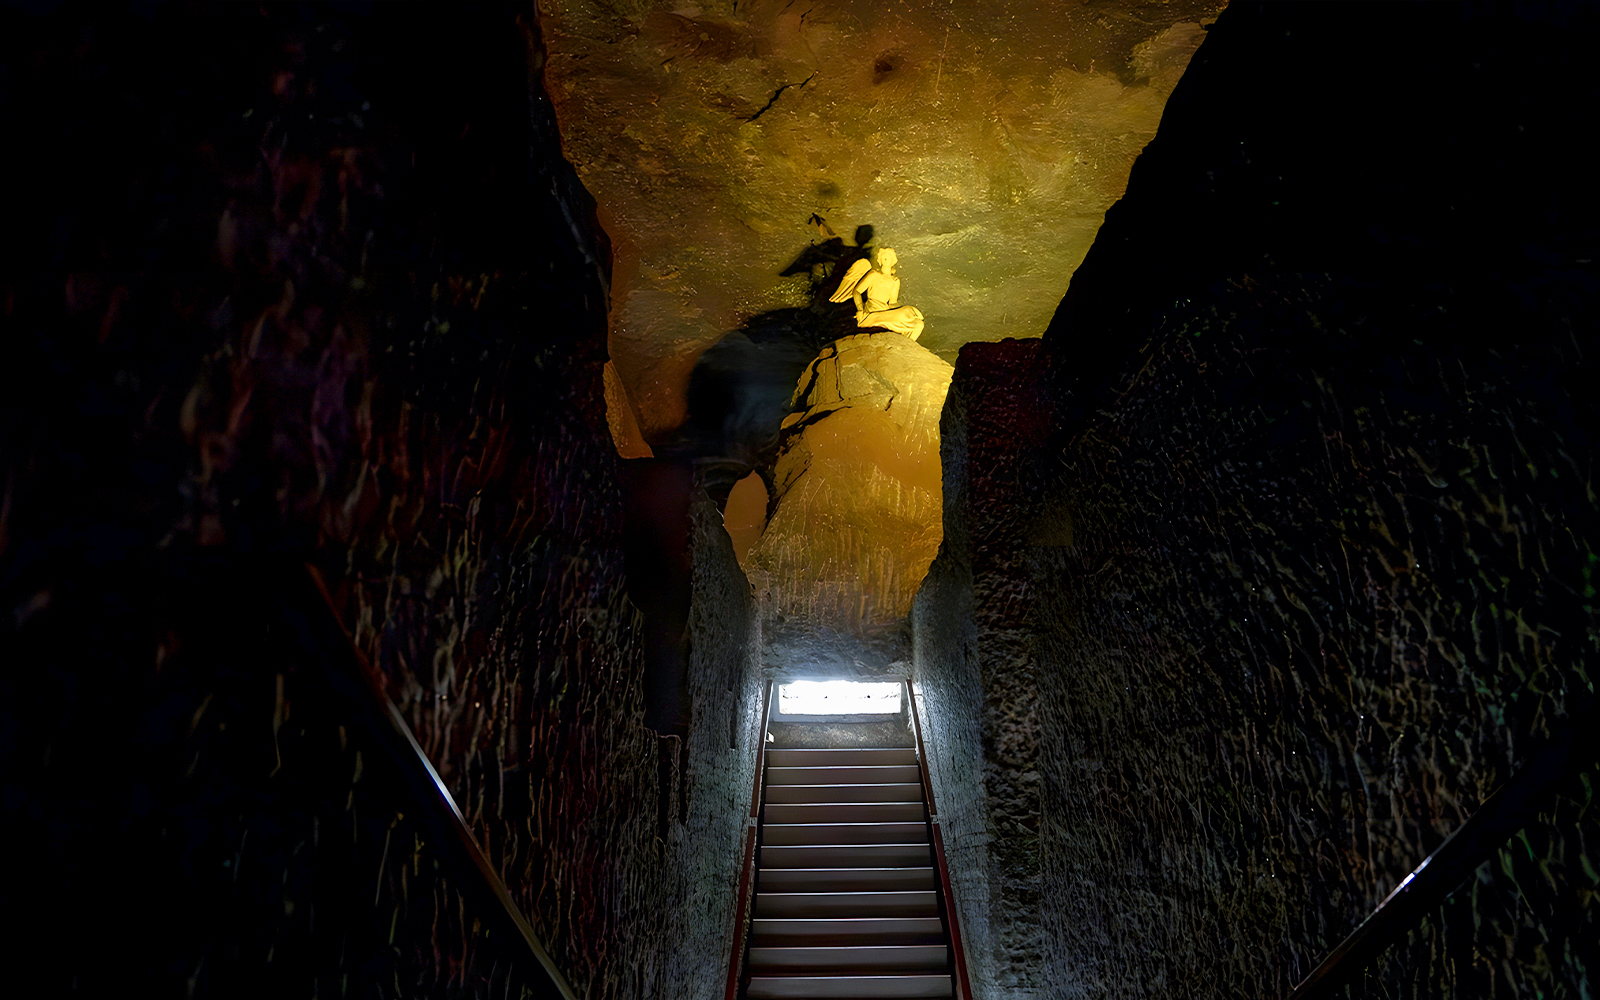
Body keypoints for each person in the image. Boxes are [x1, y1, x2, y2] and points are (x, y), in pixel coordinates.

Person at [828, 247, 925, 340]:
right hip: (872, 312)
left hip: (885, 312)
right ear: (880, 260)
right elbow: (856, 291)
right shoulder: (873, 275)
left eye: (889, 256)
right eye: (883, 256)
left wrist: (904, 310)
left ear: (893, 261)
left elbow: (892, 303)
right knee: (908, 316)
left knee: (919, 324)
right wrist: (860, 310)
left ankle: (907, 346)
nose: (886, 258)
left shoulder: (895, 281)